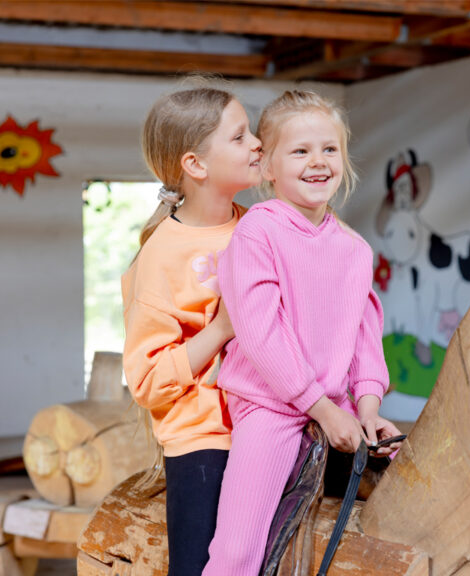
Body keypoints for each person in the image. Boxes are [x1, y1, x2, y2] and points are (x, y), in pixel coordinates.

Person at [203, 90, 402, 574]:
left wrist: (368, 408)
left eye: (329, 149)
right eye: (300, 151)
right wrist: (322, 409)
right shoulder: (257, 233)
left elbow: (364, 336)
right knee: (236, 550)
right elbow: (261, 334)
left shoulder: (354, 249)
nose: (318, 161)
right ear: (268, 166)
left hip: (336, 405)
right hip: (271, 408)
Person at [122, 87, 262, 576]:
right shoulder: (161, 256)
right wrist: (222, 328)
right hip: (205, 442)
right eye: (239, 137)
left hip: (265, 425)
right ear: (196, 165)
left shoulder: (258, 227)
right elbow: (146, 381)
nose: (257, 143)